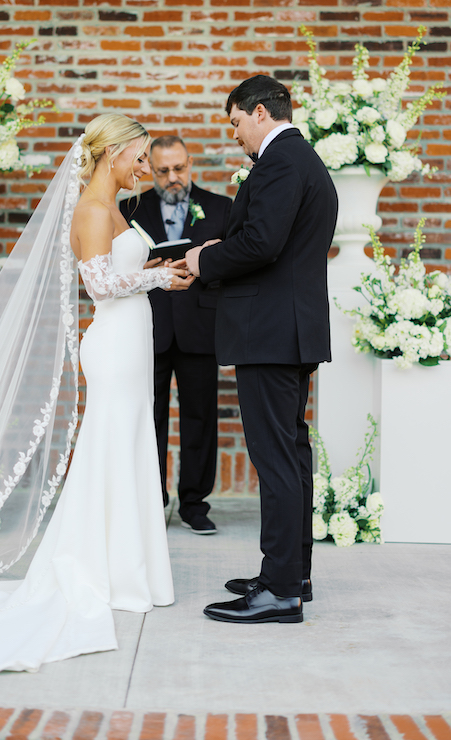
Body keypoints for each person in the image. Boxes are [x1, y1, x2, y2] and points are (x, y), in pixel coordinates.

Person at [0, 114, 193, 678]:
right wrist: (158, 280)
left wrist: (154, 267)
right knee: (111, 445)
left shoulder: (116, 210)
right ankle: (109, 570)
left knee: (127, 446)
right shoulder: (93, 210)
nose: (145, 168)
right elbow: (98, 285)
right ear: (112, 154)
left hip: (130, 343)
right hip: (114, 345)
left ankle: (130, 568)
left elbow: (116, 269)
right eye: (140, 157)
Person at [180, 74, 338, 625]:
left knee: (276, 462)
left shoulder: (280, 163)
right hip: (290, 330)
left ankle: (278, 590)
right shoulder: (303, 161)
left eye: (236, 122)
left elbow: (261, 244)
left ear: (260, 113)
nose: (236, 135)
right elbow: (280, 243)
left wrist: (204, 260)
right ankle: (293, 574)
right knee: (292, 457)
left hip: (270, 334)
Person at [121, 136, 231, 535]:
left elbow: (237, 264)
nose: (172, 178)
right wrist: (147, 268)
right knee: (149, 418)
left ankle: (195, 504)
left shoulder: (221, 207)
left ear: (190, 163)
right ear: (150, 168)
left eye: (179, 168)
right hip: (147, 326)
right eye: (162, 170)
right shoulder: (129, 209)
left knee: (200, 418)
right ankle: (151, 499)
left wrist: (207, 263)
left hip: (200, 326)